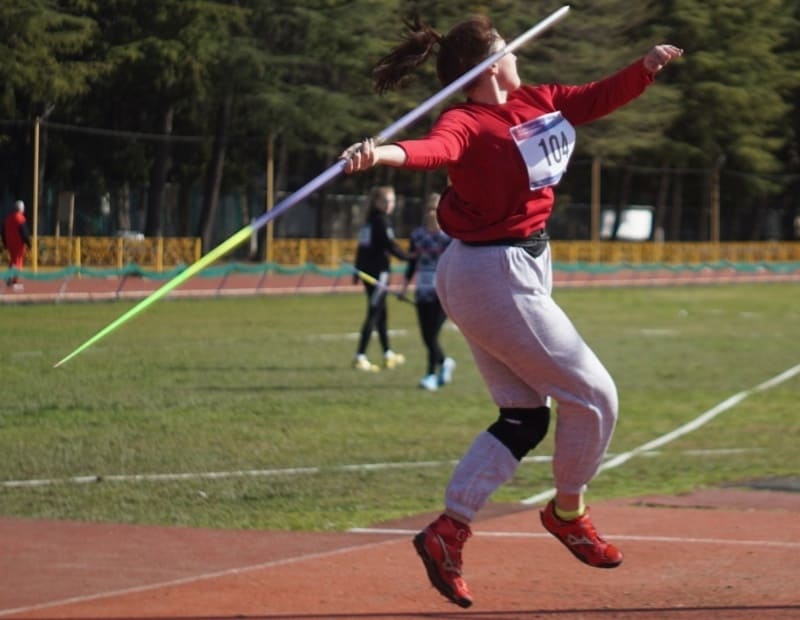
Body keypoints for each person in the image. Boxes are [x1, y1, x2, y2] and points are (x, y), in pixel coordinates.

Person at [341, 13, 682, 608]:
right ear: (492, 66)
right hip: (492, 272)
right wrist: (381, 155)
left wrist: (645, 68)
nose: (520, 55)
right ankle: (567, 513)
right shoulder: (465, 121)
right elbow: (433, 151)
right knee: (595, 397)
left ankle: (448, 531)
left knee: (524, 417)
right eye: (510, 50)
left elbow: (596, 97)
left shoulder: (538, 99)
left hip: (511, 266)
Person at [352, 185, 413, 372]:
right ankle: (360, 356)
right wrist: (409, 257)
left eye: (392, 201)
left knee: (381, 313)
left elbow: (362, 247)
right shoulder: (381, 221)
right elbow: (390, 245)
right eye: (386, 201)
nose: (389, 204)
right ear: (377, 202)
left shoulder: (370, 221)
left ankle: (387, 353)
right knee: (374, 312)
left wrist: (357, 269)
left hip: (368, 271)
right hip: (378, 273)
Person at [401, 192, 455, 391]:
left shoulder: (450, 237)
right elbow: (412, 263)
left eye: (437, 208)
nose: (433, 213)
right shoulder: (417, 236)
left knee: (432, 334)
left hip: (442, 293)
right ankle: (445, 362)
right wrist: (403, 288)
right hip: (422, 292)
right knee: (426, 336)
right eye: (430, 208)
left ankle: (431, 374)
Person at [2, 200, 31, 289]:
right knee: (18, 262)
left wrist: (5, 243)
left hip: (10, 243)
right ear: (22, 209)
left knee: (13, 261)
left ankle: (10, 278)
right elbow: (24, 232)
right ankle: (13, 281)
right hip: (18, 244)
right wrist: (28, 243)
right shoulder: (20, 218)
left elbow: (3, 232)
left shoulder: (8, 219)